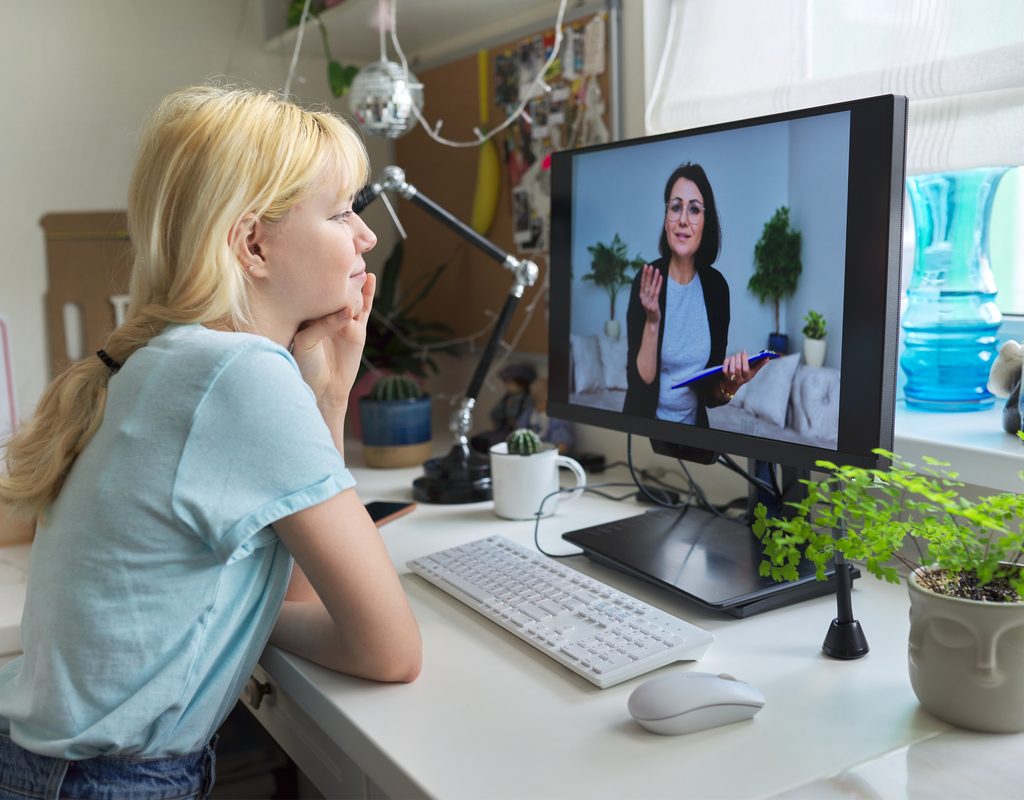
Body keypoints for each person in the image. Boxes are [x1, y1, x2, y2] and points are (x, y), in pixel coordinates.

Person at [0, 85, 422, 797]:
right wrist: (263, 626)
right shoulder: (237, 375)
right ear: (253, 244)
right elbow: (390, 650)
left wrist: (326, 395)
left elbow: (296, 591)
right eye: (342, 210)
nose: (367, 237)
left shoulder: (174, 359)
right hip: (104, 783)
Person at [623, 162, 763, 426]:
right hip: (644, 431)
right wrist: (652, 322)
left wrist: (730, 385)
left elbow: (711, 395)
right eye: (676, 207)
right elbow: (641, 382)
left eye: (694, 209)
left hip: (693, 432)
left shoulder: (717, 288)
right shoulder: (648, 280)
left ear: (705, 222)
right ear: (666, 219)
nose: (684, 220)